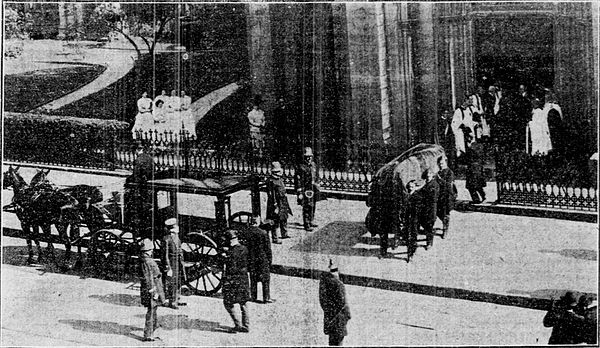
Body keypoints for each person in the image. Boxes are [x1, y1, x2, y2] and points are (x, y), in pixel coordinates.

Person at [139, 238, 167, 342]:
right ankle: (148, 334)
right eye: (150, 249)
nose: (152, 251)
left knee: (154, 308)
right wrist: (153, 291)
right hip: (152, 289)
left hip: (154, 286)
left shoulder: (146, 260)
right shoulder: (146, 261)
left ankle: (154, 327)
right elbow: (148, 278)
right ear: (147, 250)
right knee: (151, 310)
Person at [222, 230, 250, 333]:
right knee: (243, 302)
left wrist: (225, 258)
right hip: (243, 279)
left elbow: (231, 268)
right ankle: (246, 325)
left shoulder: (230, 253)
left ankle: (237, 324)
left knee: (227, 303)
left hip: (233, 280)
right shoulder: (244, 248)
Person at [319, 259, 351, 346]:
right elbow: (343, 303)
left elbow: (323, 302)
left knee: (332, 342)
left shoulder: (324, 283)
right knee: (338, 342)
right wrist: (348, 315)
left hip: (330, 319)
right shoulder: (339, 284)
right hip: (339, 320)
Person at [245, 218, 274, 303]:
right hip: (262, 259)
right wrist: (270, 261)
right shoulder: (264, 233)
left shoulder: (247, 232)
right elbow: (268, 249)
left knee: (253, 277)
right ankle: (266, 297)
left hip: (252, 258)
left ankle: (253, 296)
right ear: (257, 223)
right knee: (265, 279)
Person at [294, 147, 322, 231]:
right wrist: (299, 192)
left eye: (310, 156)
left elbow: (316, 175)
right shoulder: (301, 167)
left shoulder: (313, 165)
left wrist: (318, 183)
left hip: (313, 189)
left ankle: (311, 220)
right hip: (306, 189)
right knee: (307, 206)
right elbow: (298, 180)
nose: (309, 158)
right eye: (307, 156)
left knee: (313, 205)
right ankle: (306, 224)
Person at [162, 218, 186, 309]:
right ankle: (172, 302)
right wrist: (168, 268)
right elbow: (165, 255)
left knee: (179, 281)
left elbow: (179, 249)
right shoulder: (166, 239)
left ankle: (177, 298)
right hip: (172, 263)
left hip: (178, 262)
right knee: (173, 282)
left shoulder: (176, 237)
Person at [266, 161, 292, 243]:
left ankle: (284, 233)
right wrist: (275, 205)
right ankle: (275, 238)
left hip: (283, 201)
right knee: (275, 220)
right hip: (275, 203)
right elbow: (271, 195)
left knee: (284, 217)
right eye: (277, 172)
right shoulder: (271, 181)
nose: (279, 173)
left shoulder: (280, 179)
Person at [436, 155, 457, 238]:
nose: (441, 165)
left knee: (445, 213)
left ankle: (445, 229)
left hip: (447, 196)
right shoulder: (438, 172)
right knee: (438, 212)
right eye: (439, 164)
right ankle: (445, 224)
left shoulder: (449, 172)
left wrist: (439, 179)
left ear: (446, 163)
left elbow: (448, 185)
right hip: (439, 195)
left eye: (442, 163)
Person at [419, 169, 439, 249]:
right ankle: (429, 236)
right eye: (427, 176)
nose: (428, 177)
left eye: (429, 176)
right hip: (425, 207)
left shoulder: (434, 185)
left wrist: (422, 197)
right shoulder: (426, 184)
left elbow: (433, 197)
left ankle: (429, 242)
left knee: (429, 225)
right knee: (424, 223)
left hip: (431, 207)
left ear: (432, 176)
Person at [465, 132, 487, 204]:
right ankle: (476, 200)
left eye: (469, 137)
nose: (467, 138)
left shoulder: (478, 145)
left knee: (477, 185)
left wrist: (470, 147)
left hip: (476, 168)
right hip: (470, 168)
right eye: (466, 137)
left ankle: (484, 197)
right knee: (470, 186)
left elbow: (479, 155)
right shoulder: (467, 145)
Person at [404, 180, 422, 260]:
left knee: (412, 236)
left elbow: (418, 210)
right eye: (409, 187)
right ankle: (410, 251)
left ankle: (411, 253)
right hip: (407, 219)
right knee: (408, 236)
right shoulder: (406, 196)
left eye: (412, 187)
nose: (410, 188)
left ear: (415, 188)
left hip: (414, 220)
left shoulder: (417, 196)